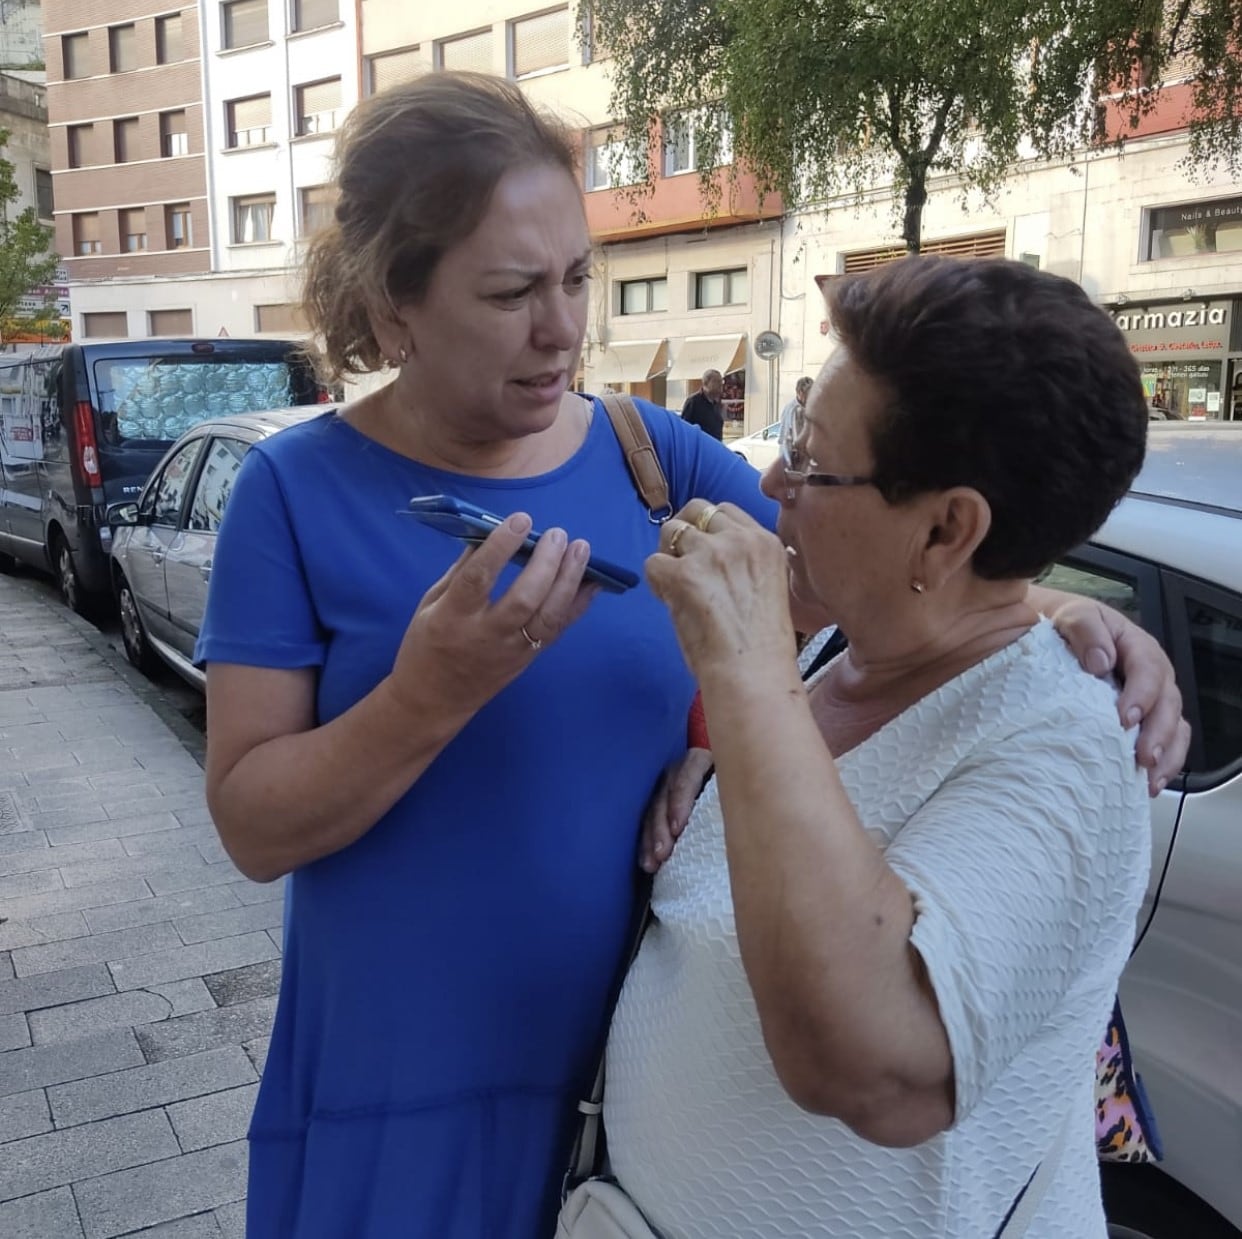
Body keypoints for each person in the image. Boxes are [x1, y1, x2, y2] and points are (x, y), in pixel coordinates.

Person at [196, 76, 1184, 1239]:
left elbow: (879, 576)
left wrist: (1062, 614)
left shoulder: (645, 454)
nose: (563, 329)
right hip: (407, 1082)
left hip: (610, 1097)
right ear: (393, 302)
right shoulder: (294, 492)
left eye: (576, 278)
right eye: (513, 291)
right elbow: (254, 828)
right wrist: (430, 695)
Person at [603, 257, 1183, 1237]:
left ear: (948, 530)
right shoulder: (838, 649)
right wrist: (726, 762)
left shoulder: (1073, 753)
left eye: (814, 459)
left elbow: (873, 1070)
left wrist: (745, 679)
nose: (775, 480)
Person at [680, 368, 725, 439]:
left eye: (721, 381)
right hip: (699, 447)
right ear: (706, 383)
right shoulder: (693, 401)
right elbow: (684, 427)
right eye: (717, 381)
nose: (720, 384)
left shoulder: (717, 403)